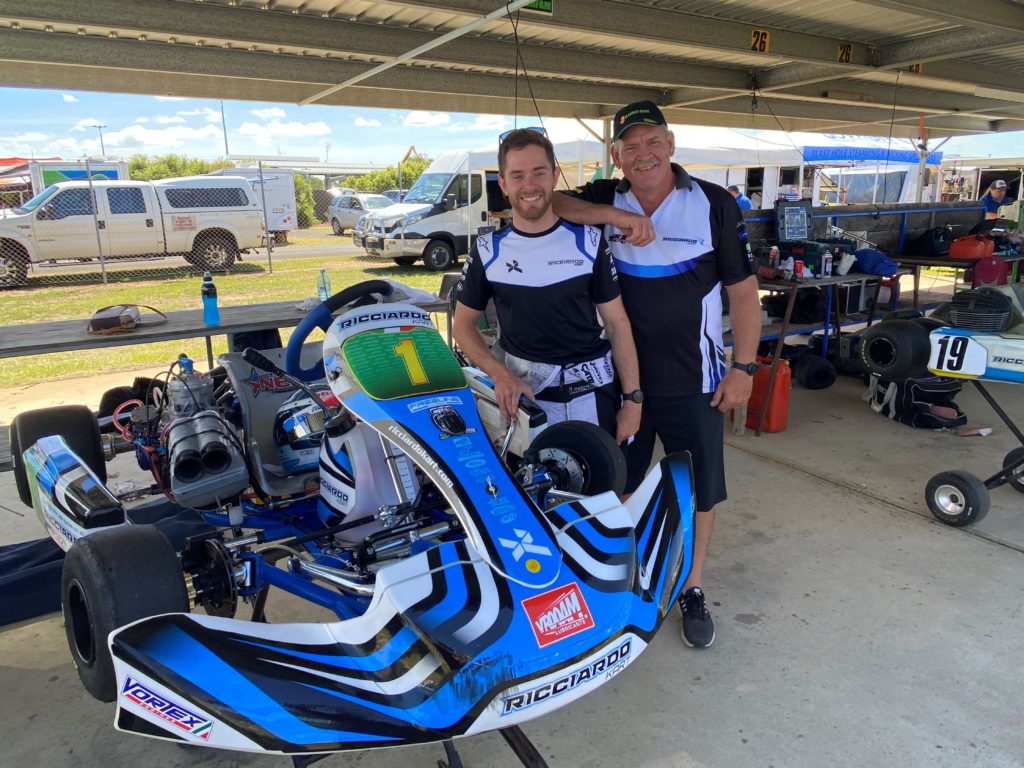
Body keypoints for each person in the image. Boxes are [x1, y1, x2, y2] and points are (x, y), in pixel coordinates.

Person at [552, 100, 761, 649]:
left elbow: (743, 293)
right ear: (616, 154)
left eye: (652, 142)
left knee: (700, 493)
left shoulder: (714, 203)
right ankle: (617, 583)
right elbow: (551, 203)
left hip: (698, 381)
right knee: (614, 487)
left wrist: (744, 367)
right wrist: (616, 218)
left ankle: (691, 587)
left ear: (670, 144)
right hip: (622, 385)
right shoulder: (603, 195)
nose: (642, 154)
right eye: (629, 146)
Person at [452, 127, 642, 445]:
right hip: (528, 408)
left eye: (539, 172)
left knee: (602, 494)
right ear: (503, 183)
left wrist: (633, 400)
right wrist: (501, 376)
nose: (530, 185)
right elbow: (462, 327)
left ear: (555, 176)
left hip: (594, 401)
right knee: (533, 495)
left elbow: (617, 323)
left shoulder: (589, 242)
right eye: (518, 175)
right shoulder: (487, 250)